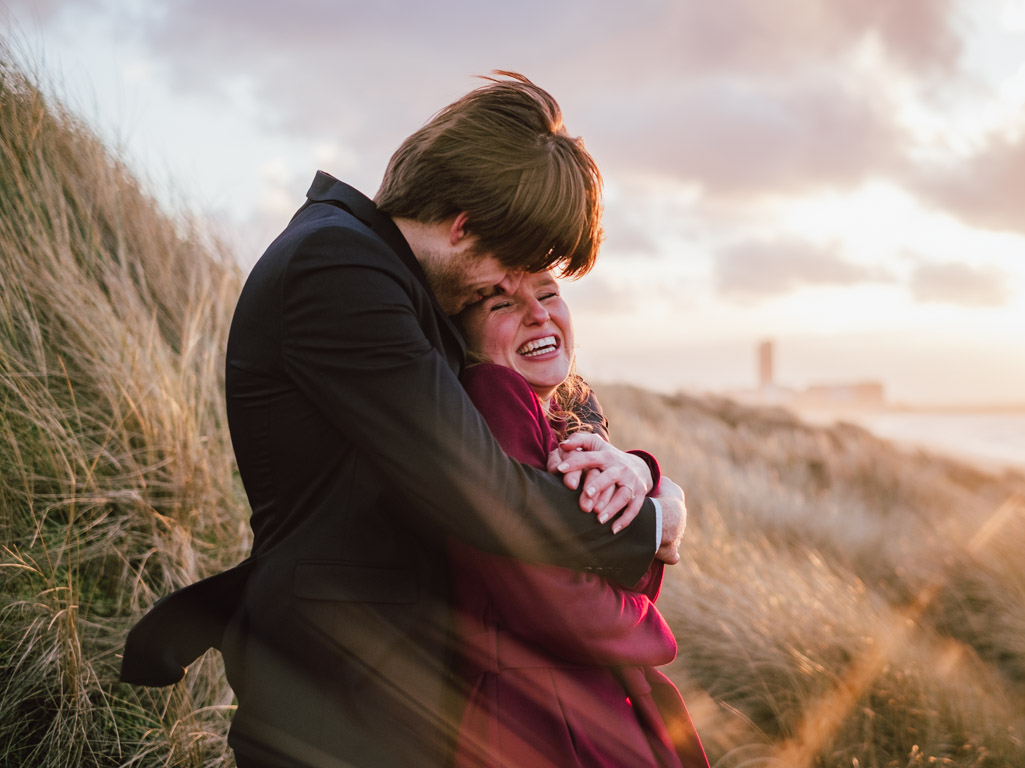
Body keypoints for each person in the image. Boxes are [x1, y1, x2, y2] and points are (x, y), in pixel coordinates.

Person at [120, 72, 687, 768]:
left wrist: (641, 473)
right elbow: (482, 489)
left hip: (392, 693)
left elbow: (547, 399)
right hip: (337, 702)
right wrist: (656, 525)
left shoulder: (395, 279)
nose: (511, 290)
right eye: (511, 269)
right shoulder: (337, 269)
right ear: (463, 225)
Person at [450, 271, 708, 767]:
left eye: (548, 293)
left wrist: (646, 474)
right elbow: (544, 596)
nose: (539, 312)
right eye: (500, 305)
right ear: (463, 332)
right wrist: (648, 625)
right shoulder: (491, 387)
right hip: (543, 715)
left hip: (568, 699)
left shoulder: (558, 422)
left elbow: (614, 566)